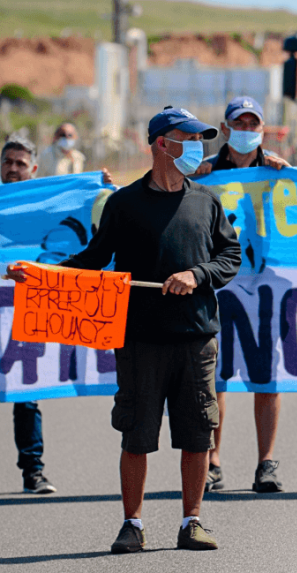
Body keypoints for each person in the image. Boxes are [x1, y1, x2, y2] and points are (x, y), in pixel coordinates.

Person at [9, 106, 242, 553]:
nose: (197, 146)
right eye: (187, 137)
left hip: (196, 339)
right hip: (140, 339)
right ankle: (132, 524)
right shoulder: (125, 204)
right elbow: (91, 261)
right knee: (136, 434)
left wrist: (197, 275)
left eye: (199, 138)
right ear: (161, 144)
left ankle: (192, 521)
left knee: (197, 434)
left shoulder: (207, 201)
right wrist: (39, 274)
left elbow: (229, 258)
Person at [194, 96, 291, 495]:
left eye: (254, 123)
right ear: (227, 127)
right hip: (218, 286)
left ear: (263, 130)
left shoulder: (276, 171)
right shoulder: (206, 172)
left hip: (264, 287)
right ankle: (212, 460)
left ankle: (265, 462)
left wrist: (287, 176)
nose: (247, 130)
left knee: (265, 375)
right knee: (216, 376)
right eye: (240, 123)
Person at [1, 137, 56, 495]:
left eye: (21, 163)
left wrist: (100, 189)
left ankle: (33, 472)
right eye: (8, 162)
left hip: (23, 312)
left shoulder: (45, 208)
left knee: (26, 394)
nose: (13, 168)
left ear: (34, 169)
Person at [36, 122, 114, 183]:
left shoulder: (78, 158)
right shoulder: (46, 155)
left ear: (75, 137)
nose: (66, 138)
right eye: (63, 135)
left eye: (70, 135)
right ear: (56, 137)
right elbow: (38, 180)